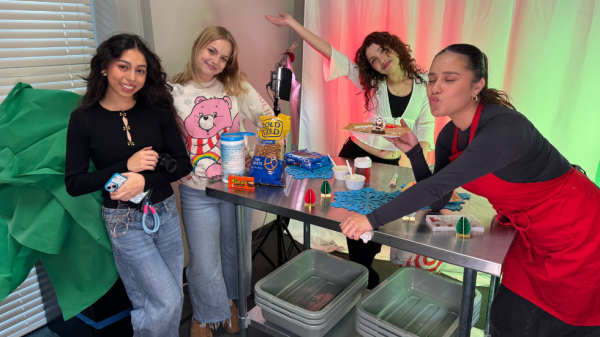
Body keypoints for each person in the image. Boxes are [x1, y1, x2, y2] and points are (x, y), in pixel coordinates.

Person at [340, 44, 600, 336]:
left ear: (477, 85)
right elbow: (439, 197)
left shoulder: (505, 127)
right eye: (432, 79)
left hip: (577, 231)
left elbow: (433, 188)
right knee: (505, 319)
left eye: (449, 80)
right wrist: (414, 153)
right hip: (527, 234)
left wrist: (371, 220)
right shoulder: (449, 135)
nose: (435, 88)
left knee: (562, 322)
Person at [266, 13, 435, 289]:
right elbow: (333, 54)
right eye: (373, 60)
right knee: (352, 218)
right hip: (356, 155)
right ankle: (361, 275)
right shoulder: (372, 83)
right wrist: (293, 25)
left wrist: (419, 155)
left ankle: (360, 273)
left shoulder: (425, 85)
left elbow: (426, 130)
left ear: (395, 47)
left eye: (383, 51)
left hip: (390, 164)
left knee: (376, 222)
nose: (381, 61)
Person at [65, 34, 192, 337]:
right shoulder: (83, 120)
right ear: (105, 67)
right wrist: (126, 167)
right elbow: (74, 183)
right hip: (124, 222)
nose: (131, 77)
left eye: (140, 70)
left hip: (165, 213)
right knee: (168, 299)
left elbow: (183, 164)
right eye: (124, 66)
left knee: (158, 302)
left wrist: (144, 180)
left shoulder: (157, 109)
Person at [170, 26, 274, 337]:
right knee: (203, 258)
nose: (216, 60)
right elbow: (163, 137)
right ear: (198, 47)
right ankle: (204, 315)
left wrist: (260, 155)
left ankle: (232, 304)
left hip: (236, 186)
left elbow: (269, 120)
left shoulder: (236, 87)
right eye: (211, 51)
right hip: (196, 190)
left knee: (236, 251)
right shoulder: (172, 91)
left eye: (224, 57)